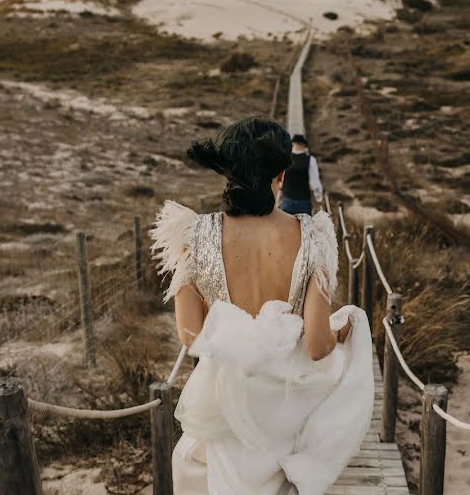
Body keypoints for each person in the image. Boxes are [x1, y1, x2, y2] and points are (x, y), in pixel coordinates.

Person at [150, 117, 373, 495]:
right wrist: (339, 332)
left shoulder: (194, 236)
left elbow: (190, 336)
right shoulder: (312, 236)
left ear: (229, 172)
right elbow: (318, 349)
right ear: (282, 174)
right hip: (285, 414)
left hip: (221, 412)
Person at [278, 134, 323, 216]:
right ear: (304, 146)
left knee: (285, 228)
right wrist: (319, 199)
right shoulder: (310, 160)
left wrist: (278, 198)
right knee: (304, 228)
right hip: (304, 202)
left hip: (287, 200)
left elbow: (280, 181)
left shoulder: (285, 158)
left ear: (292, 144)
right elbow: (315, 183)